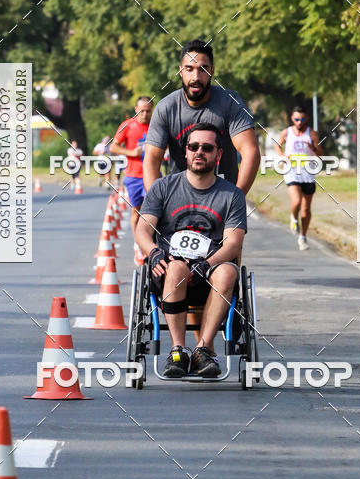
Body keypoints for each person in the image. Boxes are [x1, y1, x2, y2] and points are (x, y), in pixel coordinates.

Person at [143, 39, 260, 341]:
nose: (196, 76)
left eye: (204, 69)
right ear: (180, 72)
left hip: (221, 203)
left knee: (219, 270)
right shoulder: (167, 107)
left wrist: (235, 197)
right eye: (190, 69)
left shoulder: (229, 103)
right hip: (178, 202)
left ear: (212, 72)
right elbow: (152, 160)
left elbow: (250, 152)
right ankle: (191, 348)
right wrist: (155, 203)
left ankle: (204, 346)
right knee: (181, 265)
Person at [136, 123, 246, 378]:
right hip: (169, 271)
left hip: (211, 271)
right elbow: (142, 230)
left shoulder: (232, 196)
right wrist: (153, 252)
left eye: (207, 148)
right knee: (176, 268)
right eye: (193, 147)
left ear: (218, 155)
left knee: (229, 272)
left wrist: (208, 264)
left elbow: (232, 242)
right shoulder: (163, 187)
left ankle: (203, 349)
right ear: (185, 152)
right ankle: (178, 350)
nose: (199, 152)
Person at [110, 97, 153, 265]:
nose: (144, 114)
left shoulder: (156, 124)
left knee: (155, 212)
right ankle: (138, 246)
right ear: (136, 109)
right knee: (137, 211)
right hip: (134, 176)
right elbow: (113, 146)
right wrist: (131, 153)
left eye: (148, 111)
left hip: (153, 175)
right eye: (141, 110)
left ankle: (151, 245)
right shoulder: (128, 125)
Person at [276, 106, 322, 250]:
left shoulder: (311, 133)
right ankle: (294, 218)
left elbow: (320, 153)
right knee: (296, 201)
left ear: (306, 119)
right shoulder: (287, 132)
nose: (299, 122)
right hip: (291, 171)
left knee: (306, 209)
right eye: (296, 119)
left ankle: (303, 237)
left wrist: (313, 148)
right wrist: (283, 156)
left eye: (302, 119)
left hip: (308, 173)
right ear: (292, 118)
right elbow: (278, 145)